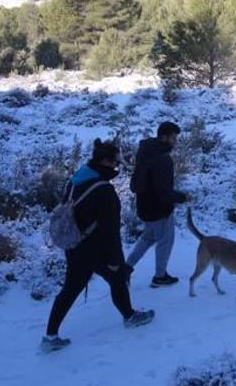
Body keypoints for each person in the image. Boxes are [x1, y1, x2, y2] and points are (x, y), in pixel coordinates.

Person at [42, 139, 154, 353]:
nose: (117, 165)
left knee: (101, 282)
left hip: (74, 243)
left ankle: (51, 335)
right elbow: (110, 232)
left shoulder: (75, 179)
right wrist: (114, 260)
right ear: (105, 160)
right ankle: (50, 336)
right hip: (94, 249)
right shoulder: (104, 192)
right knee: (109, 278)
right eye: (115, 160)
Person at [126, 121, 189, 287]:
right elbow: (163, 191)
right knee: (165, 241)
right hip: (159, 209)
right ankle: (160, 276)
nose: (176, 141)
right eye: (174, 137)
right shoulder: (163, 159)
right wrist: (183, 197)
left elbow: (140, 182)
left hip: (144, 206)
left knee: (148, 237)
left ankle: (126, 268)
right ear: (164, 137)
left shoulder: (145, 151)